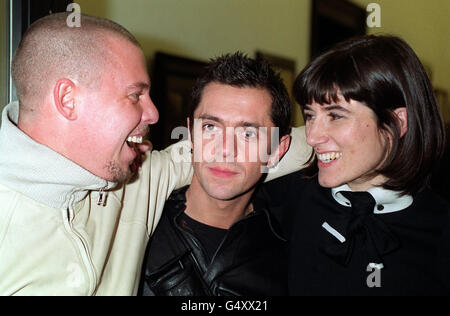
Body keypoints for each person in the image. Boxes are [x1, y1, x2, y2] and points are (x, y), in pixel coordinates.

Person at [0, 13, 307, 295]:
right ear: (68, 99)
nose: (154, 113)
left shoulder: (135, 179)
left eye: (247, 133)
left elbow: (285, 147)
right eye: (135, 95)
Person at [260, 35, 450, 295]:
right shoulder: (288, 197)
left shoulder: (440, 230)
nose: (312, 136)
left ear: (397, 123)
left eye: (335, 115)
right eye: (309, 115)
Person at [139, 52, 310, 296]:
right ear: (191, 134)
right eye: (210, 127)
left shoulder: (290, 252)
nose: (225, 150)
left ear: (277, 150)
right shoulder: (136, 225)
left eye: (248, 133)